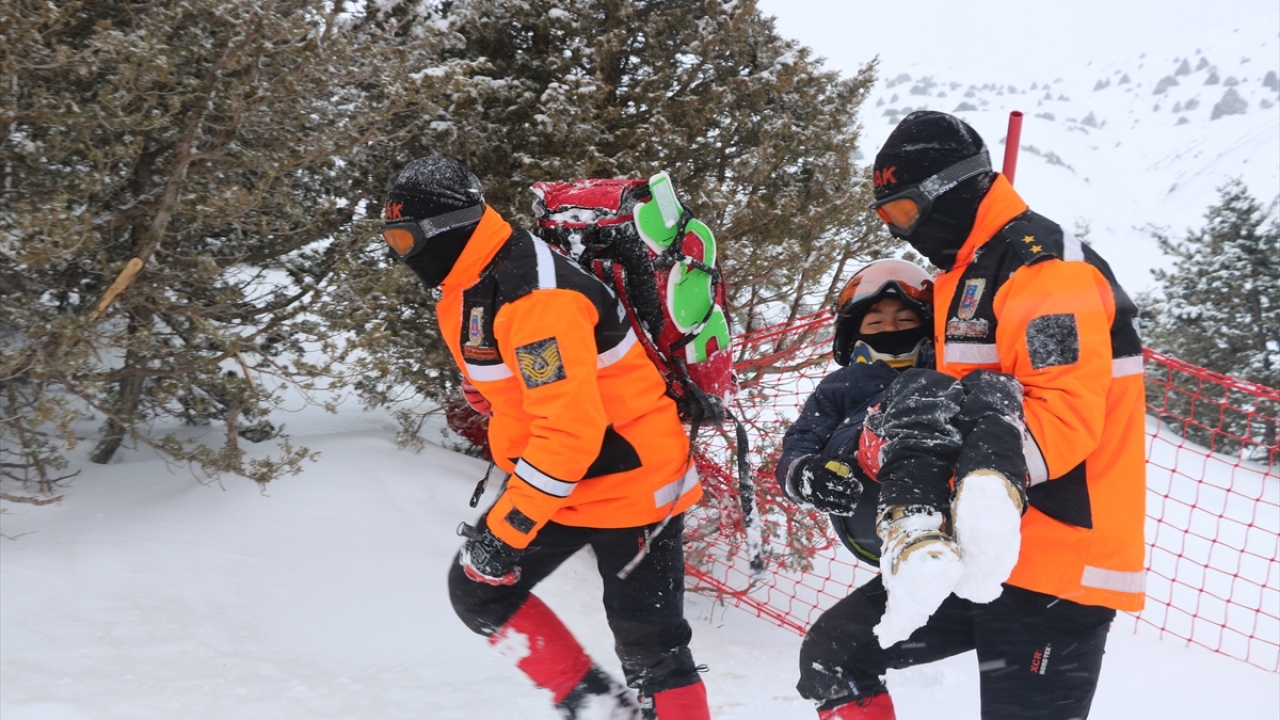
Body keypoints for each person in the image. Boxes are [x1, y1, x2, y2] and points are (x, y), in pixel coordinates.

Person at [790, 110, 1148, 720]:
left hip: (1054, 556)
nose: (902, 234)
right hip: (975, 548)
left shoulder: (1046, 271)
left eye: (902, 213)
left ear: (950, 188)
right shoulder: (963, 275)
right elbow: (948, 402)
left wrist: (967, 486)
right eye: (887, 220)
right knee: (837, 653)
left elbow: (1063, 416)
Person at [379, 156, 711, 720]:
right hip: (562, 482)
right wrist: (491, 394)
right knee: (479, 591)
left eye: (405, 238)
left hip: (635, 488)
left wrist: (508, 530)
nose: (400, 254)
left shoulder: (536, 298)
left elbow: (570, 430)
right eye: (391, 239)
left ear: (448, 229)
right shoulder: (465, 284)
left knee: (651, 651)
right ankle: (604, 712)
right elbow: (527, 385)